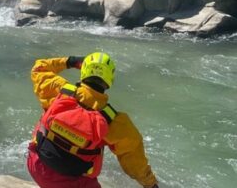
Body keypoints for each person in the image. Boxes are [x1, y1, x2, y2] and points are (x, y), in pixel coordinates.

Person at [26, 53, 159, 188]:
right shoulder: (115, 122)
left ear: (83, 70)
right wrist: (151, 184)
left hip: (36, 164)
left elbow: (39, 68)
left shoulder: (59, 90)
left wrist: (71, 61)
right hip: (72, 183)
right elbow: (135, 162)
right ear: (109, 81)